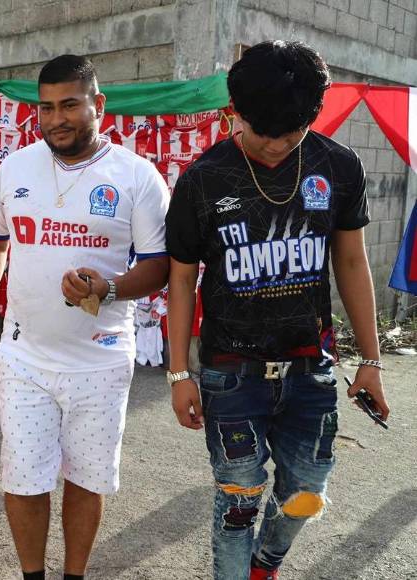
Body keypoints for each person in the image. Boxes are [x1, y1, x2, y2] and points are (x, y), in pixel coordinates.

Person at [165, 40, 390, 580]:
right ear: (235, 111)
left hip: (310, 369)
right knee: (239, 500)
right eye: (259, 132)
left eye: (289, 136)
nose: (272, 147)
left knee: (306, 494)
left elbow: (351, 263)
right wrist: (178, 372)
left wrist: (371, 360)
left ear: (313, 116)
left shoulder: (339, 166)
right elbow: (181, 278)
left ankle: (264, 565)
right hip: (231, 372)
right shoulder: (202, 179)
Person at [0, 54, 170, 580]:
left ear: (99, 105)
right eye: (47, 107)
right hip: (24, 358)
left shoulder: (136, 177)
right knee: (23, 479)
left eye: (70, 105)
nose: (57, 119)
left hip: (100, 361)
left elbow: (159, 266)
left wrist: (109, 288)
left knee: (87, 480)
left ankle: (74, 575)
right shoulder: (15, 168)